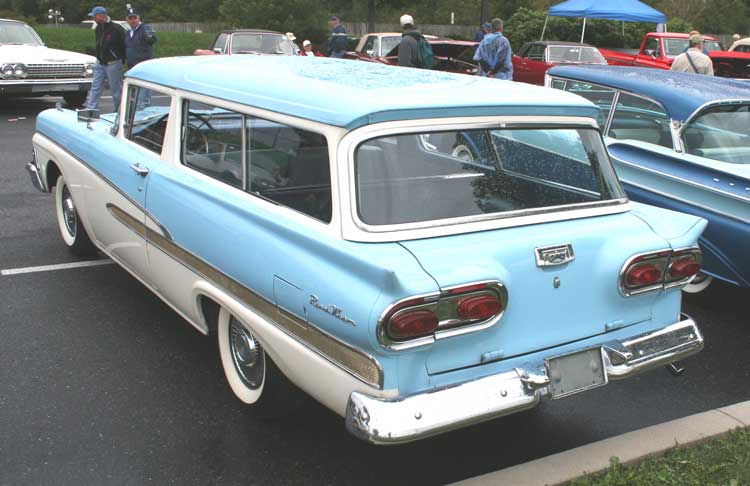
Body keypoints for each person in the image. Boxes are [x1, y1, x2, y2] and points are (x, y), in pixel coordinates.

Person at [85, 6, 126, 111]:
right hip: (100, 62)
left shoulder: (116, 28)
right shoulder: (98, 28)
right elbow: (99, 44)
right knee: (95, 86)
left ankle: (120, 111)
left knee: (116, 89)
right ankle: (91, 109)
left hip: (113, 63)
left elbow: (124, 45)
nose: (93, 18)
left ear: (101, 16)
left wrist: (121, 59)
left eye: (94, 16)